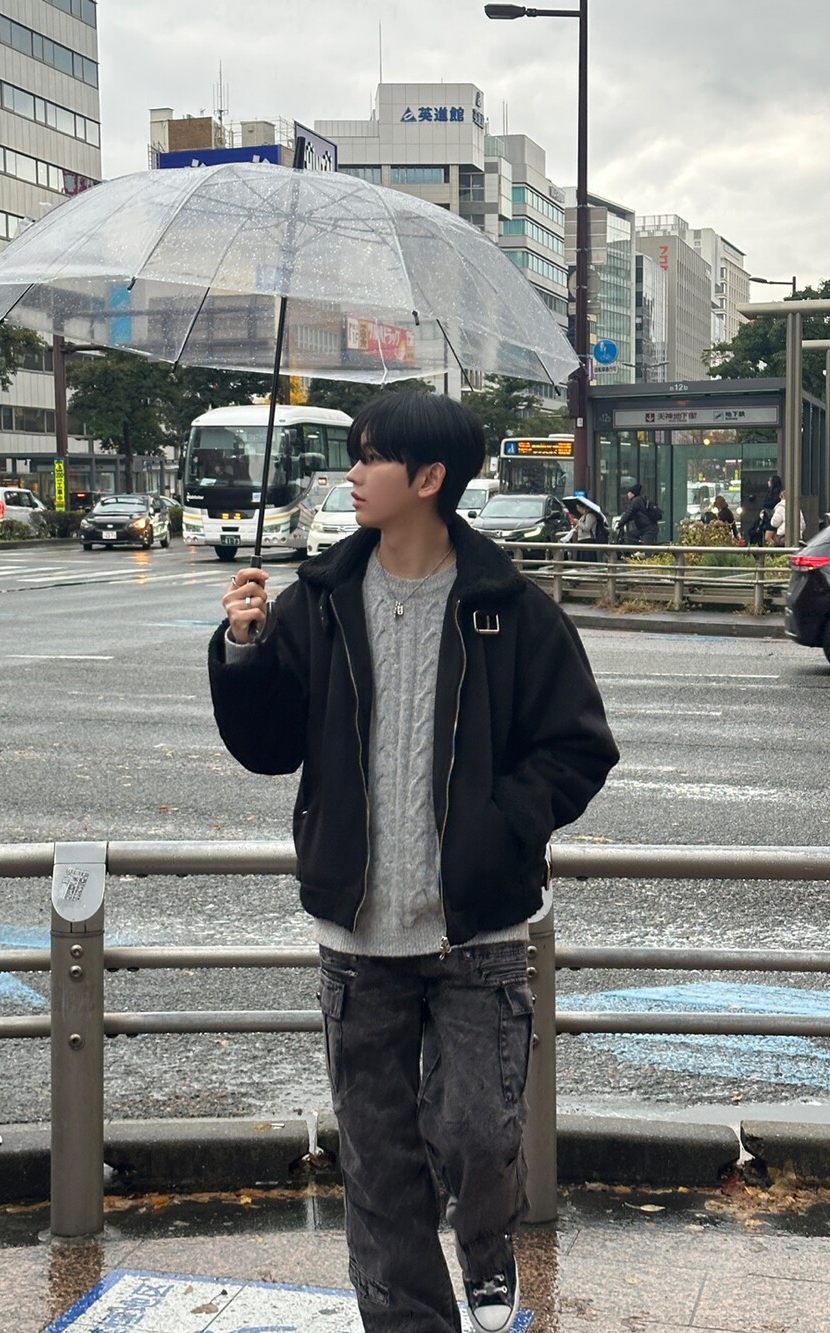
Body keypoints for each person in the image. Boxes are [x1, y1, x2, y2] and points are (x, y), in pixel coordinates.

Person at [208, 392, 618, 1333]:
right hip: (357, 936)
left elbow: (579, 746)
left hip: (478, 929)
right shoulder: (318, 600)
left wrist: (500, 825)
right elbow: (270, 746)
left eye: (371, 458)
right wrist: (244, 646)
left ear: (429, 478)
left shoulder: (510, 608)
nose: (353, 475)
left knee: (479, 1131)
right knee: (380, 1162)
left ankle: (487, 1249)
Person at [747, 474, 782, 546]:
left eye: (769, 481)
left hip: (771, 518)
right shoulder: (771, 492)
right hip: (769, 517)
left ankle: (775, 549)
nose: (768, 482)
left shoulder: (775, 494)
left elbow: (770, 504)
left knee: (767, 537)